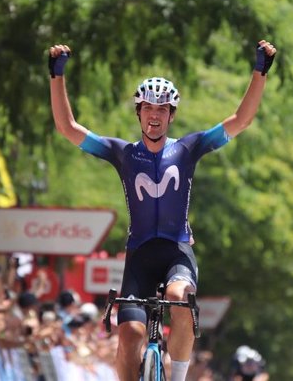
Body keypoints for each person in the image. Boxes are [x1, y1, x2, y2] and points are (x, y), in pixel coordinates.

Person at [48, 39, 276, 381]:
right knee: (131, 335)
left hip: (176, 250)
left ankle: (179, 376)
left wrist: (259, 72)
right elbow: (68, 128)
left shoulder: (188, 148)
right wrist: (57, 76)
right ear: (139, 112)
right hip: (139, 255)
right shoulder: (123, 153)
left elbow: (240, 121)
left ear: (171, 115)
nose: (155, 115)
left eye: (162, 109)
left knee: (179, 297)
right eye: (148, 109)